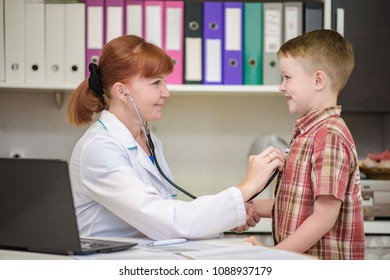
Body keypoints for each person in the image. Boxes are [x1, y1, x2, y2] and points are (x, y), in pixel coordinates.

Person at [67, 35, 284, 241]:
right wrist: (248, 185)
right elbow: (167, 222)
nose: (166, 92)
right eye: (156, 83)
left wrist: (225, 216)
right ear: (122, 92)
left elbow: (166, 211)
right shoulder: (100, 148)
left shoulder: (148, 140)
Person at [246, 29, 365, 260]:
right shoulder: (308, 134)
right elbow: (299, 206)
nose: (281, 86)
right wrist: (254, 208)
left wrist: (271, 256)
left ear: (318, 80)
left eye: (287, 77)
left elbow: (323, 217)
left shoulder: (329, 136)